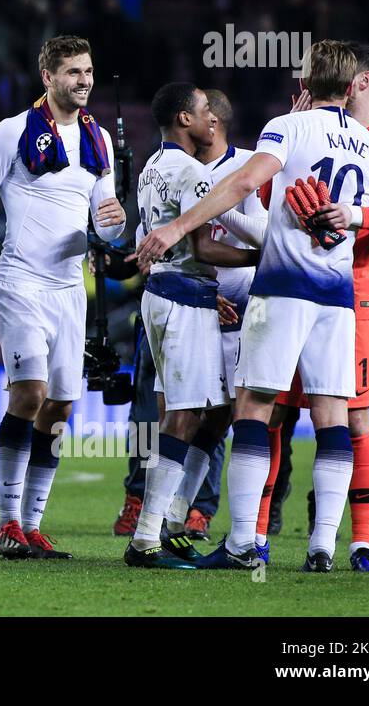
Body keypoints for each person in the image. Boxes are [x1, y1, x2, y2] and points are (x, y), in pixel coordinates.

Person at [136, 40, 369, 572]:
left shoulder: (286, 126)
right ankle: (323, 547)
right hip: (338, 297)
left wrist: (179, 226)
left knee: (254, 409)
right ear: (353, 88)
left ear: (306, 84)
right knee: (332, 415)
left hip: (280, 289)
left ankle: (240, 546)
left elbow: (244, 182)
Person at [0, 36, 126, 560]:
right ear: (48, 76)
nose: (84, 80)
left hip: (71, 289)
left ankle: (32, 523)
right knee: (30, 394)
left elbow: (104, 218)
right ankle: (5, 524)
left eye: (89, 71)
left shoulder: (99, 141)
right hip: (21, 282)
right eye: (73, 72)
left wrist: (115, 227)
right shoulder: (13, 132)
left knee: (62, 406)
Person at [257, 43, 369, 572]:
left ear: (363, 79)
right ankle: (256, 535)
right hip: (292, 282)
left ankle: (358, 543)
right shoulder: (300, 126)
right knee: (275, 410)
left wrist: (351, 215)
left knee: (355, 417)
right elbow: (265, 199)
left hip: (354, 289)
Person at [123, 83, 257, 570]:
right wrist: (268, 255)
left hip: (166, 297)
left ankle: (173, 519)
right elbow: (204, 249)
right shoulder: (194, 173)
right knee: (183, 416)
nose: (211, 120)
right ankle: (146, 539)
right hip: (184, 298)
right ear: (185, 119)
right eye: (204, 112)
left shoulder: (152, 167)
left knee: (215, 412)